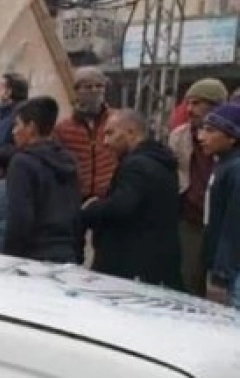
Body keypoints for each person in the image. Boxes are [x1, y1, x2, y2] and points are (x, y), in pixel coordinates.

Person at [78, 110, 182, 289]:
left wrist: (91, 208)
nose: (105, 142)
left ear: (131, 132)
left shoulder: (136, 165)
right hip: (153, 263)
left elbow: (122, 206)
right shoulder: (162, 163)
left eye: (110, 133)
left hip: (130, 265)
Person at [4, 97, 82, 263]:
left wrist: (9, 257)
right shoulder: (69, 161)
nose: (13, 132)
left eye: (17, 125)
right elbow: (76, 210)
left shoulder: (22, 163)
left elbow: (20, 218)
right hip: (67, 252)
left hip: (34, 256)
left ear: (31, 127)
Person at [168, 78, 226, 296]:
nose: (190, 109)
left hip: (222, 221)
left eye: (197, 103)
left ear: (215, 106)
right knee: (187, 280)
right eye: (188, 103)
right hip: (191, 217)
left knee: (220, 285)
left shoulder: (229, 137)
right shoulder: (179, 136)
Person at [55, 66, 118, 202]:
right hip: (76, 199)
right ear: (77, 91)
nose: (94, 91)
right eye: (88, 87)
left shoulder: (117, 121)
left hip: (109, 197)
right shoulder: (63, 128)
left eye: (99, 86)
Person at [200, 103, 240, 307]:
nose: (201, 137)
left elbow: (234, 226)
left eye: (210, 131)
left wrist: (222, 273)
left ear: (232, 137)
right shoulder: (224, 165)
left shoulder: (236, 170)